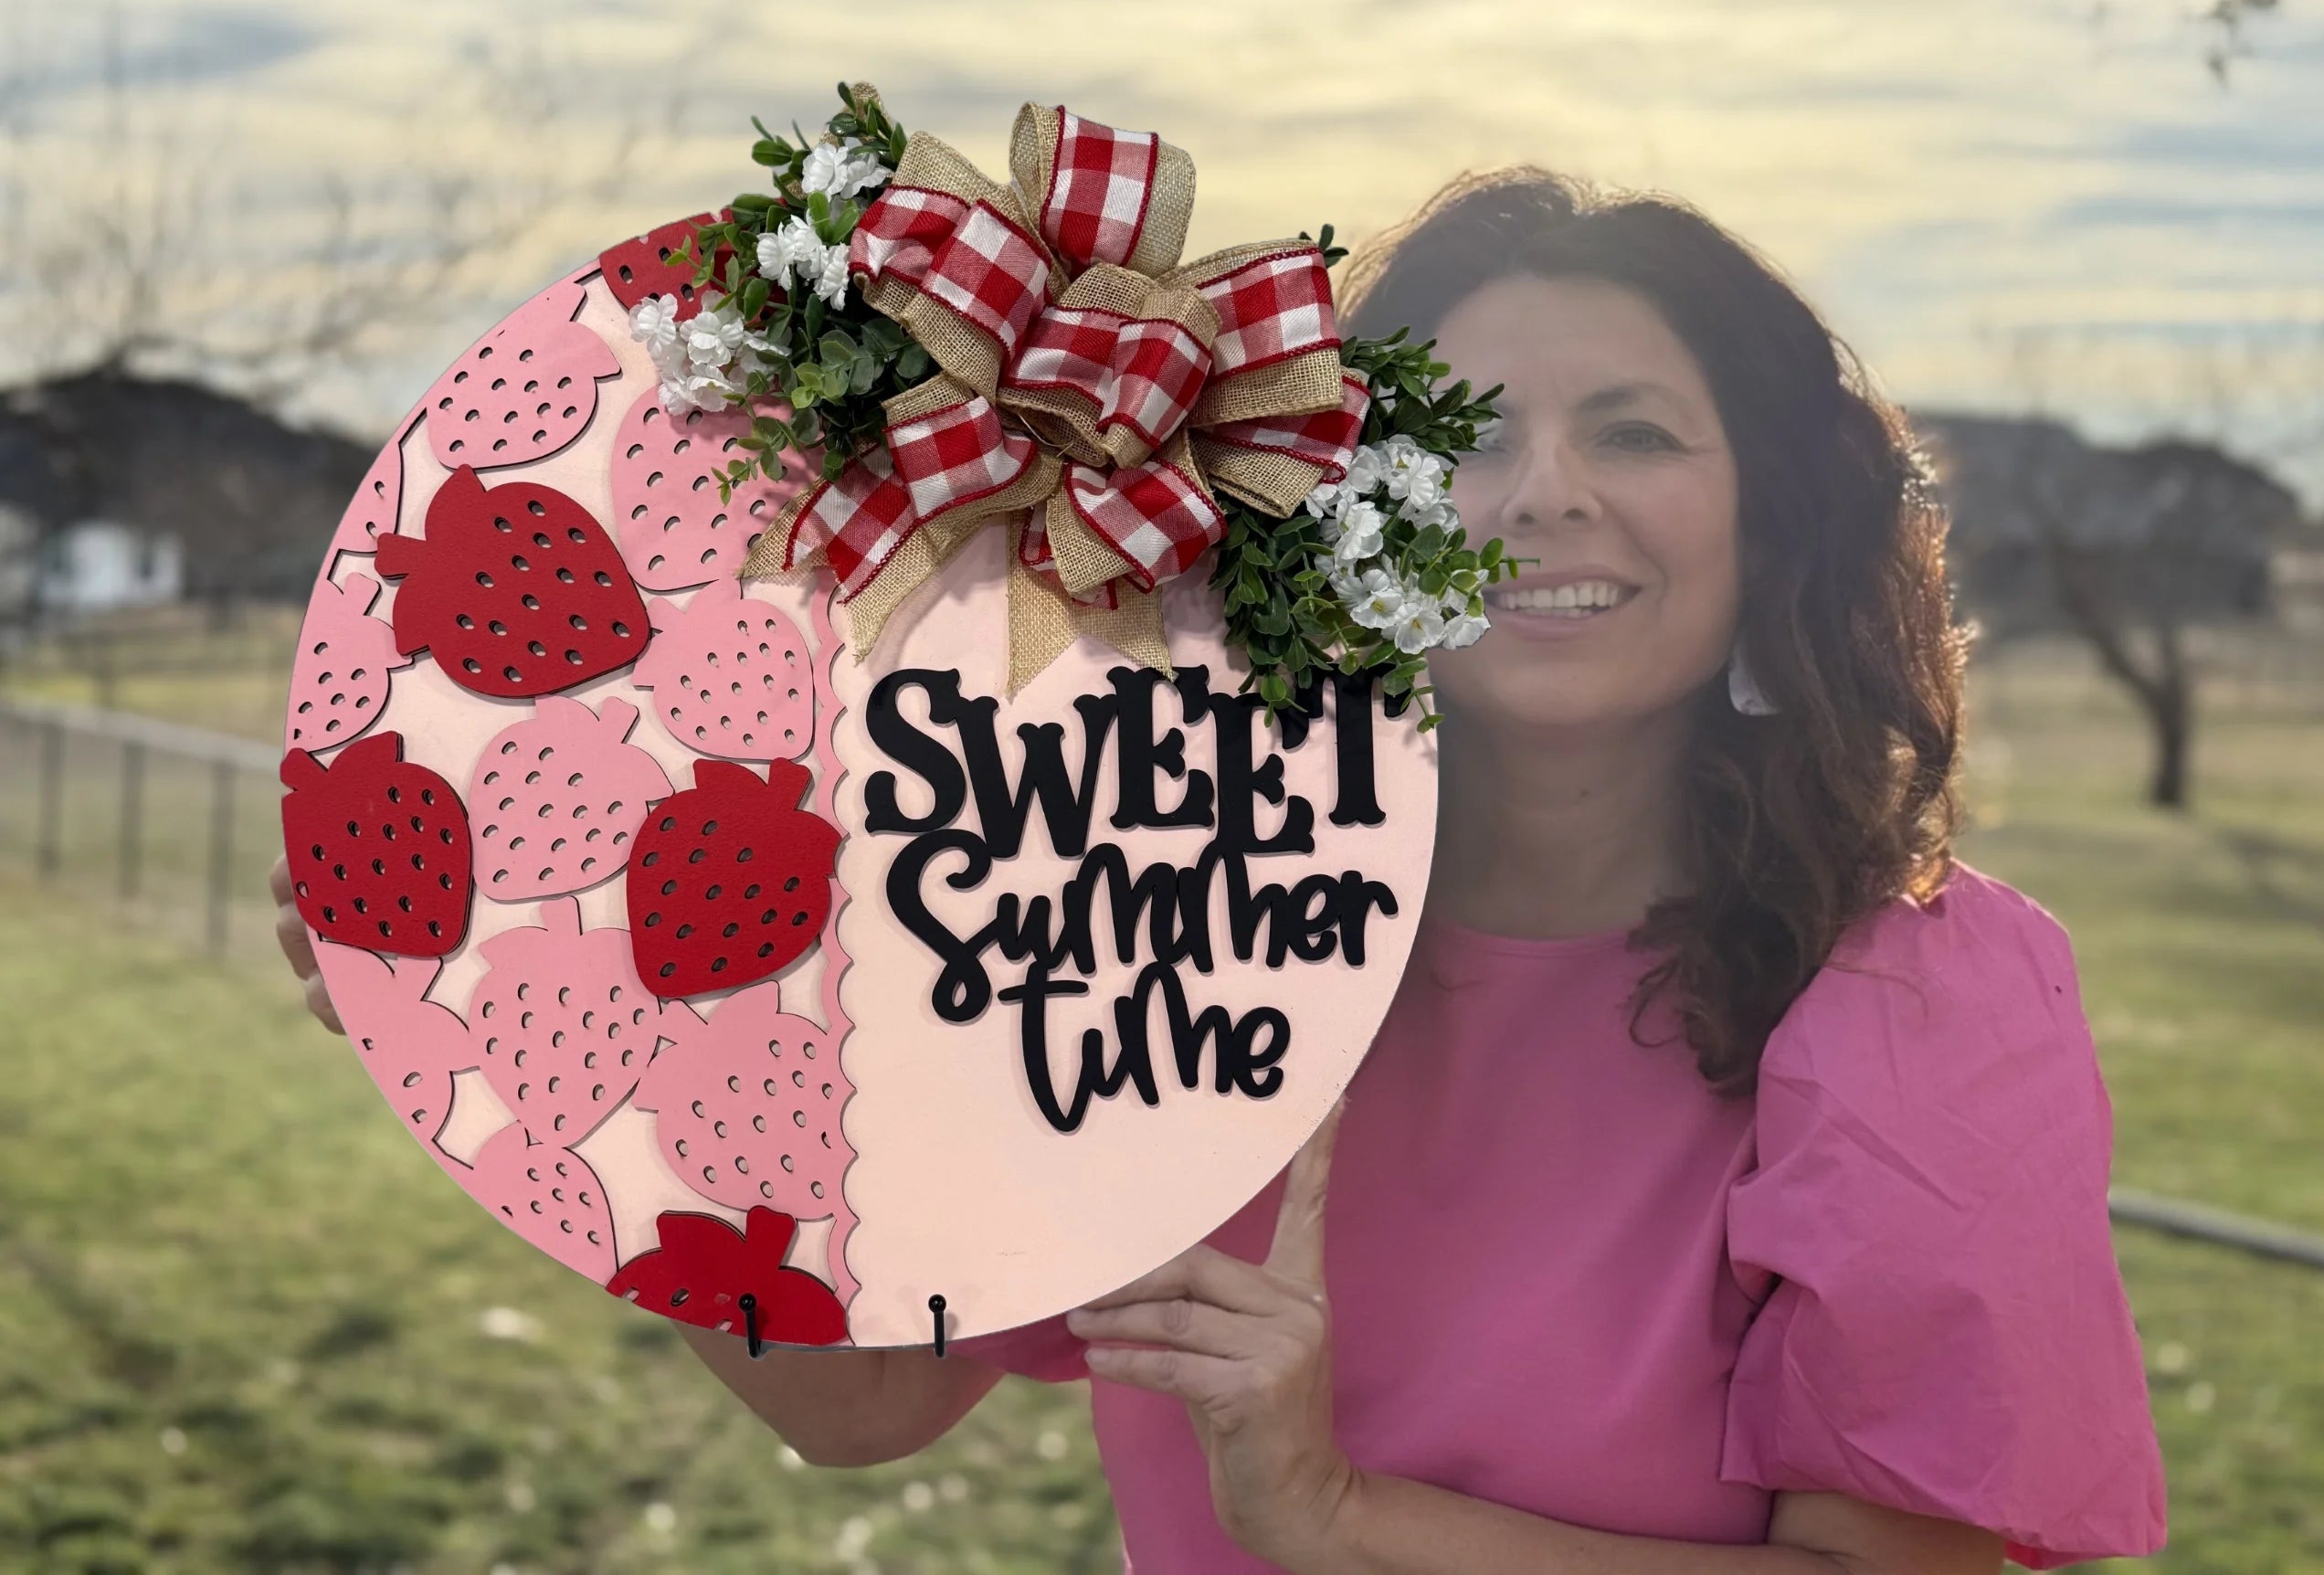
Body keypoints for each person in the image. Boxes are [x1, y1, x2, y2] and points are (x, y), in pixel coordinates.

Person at [272, 165, 2168, 1574]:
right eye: (1469, 436)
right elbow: (861, 1402)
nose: (1541, 497)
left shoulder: (1917, 996)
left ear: (1774, 527)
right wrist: (571, 1071)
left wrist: (1338, 1516)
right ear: (1328, 508)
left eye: (1637, 433)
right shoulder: (1177, 919)